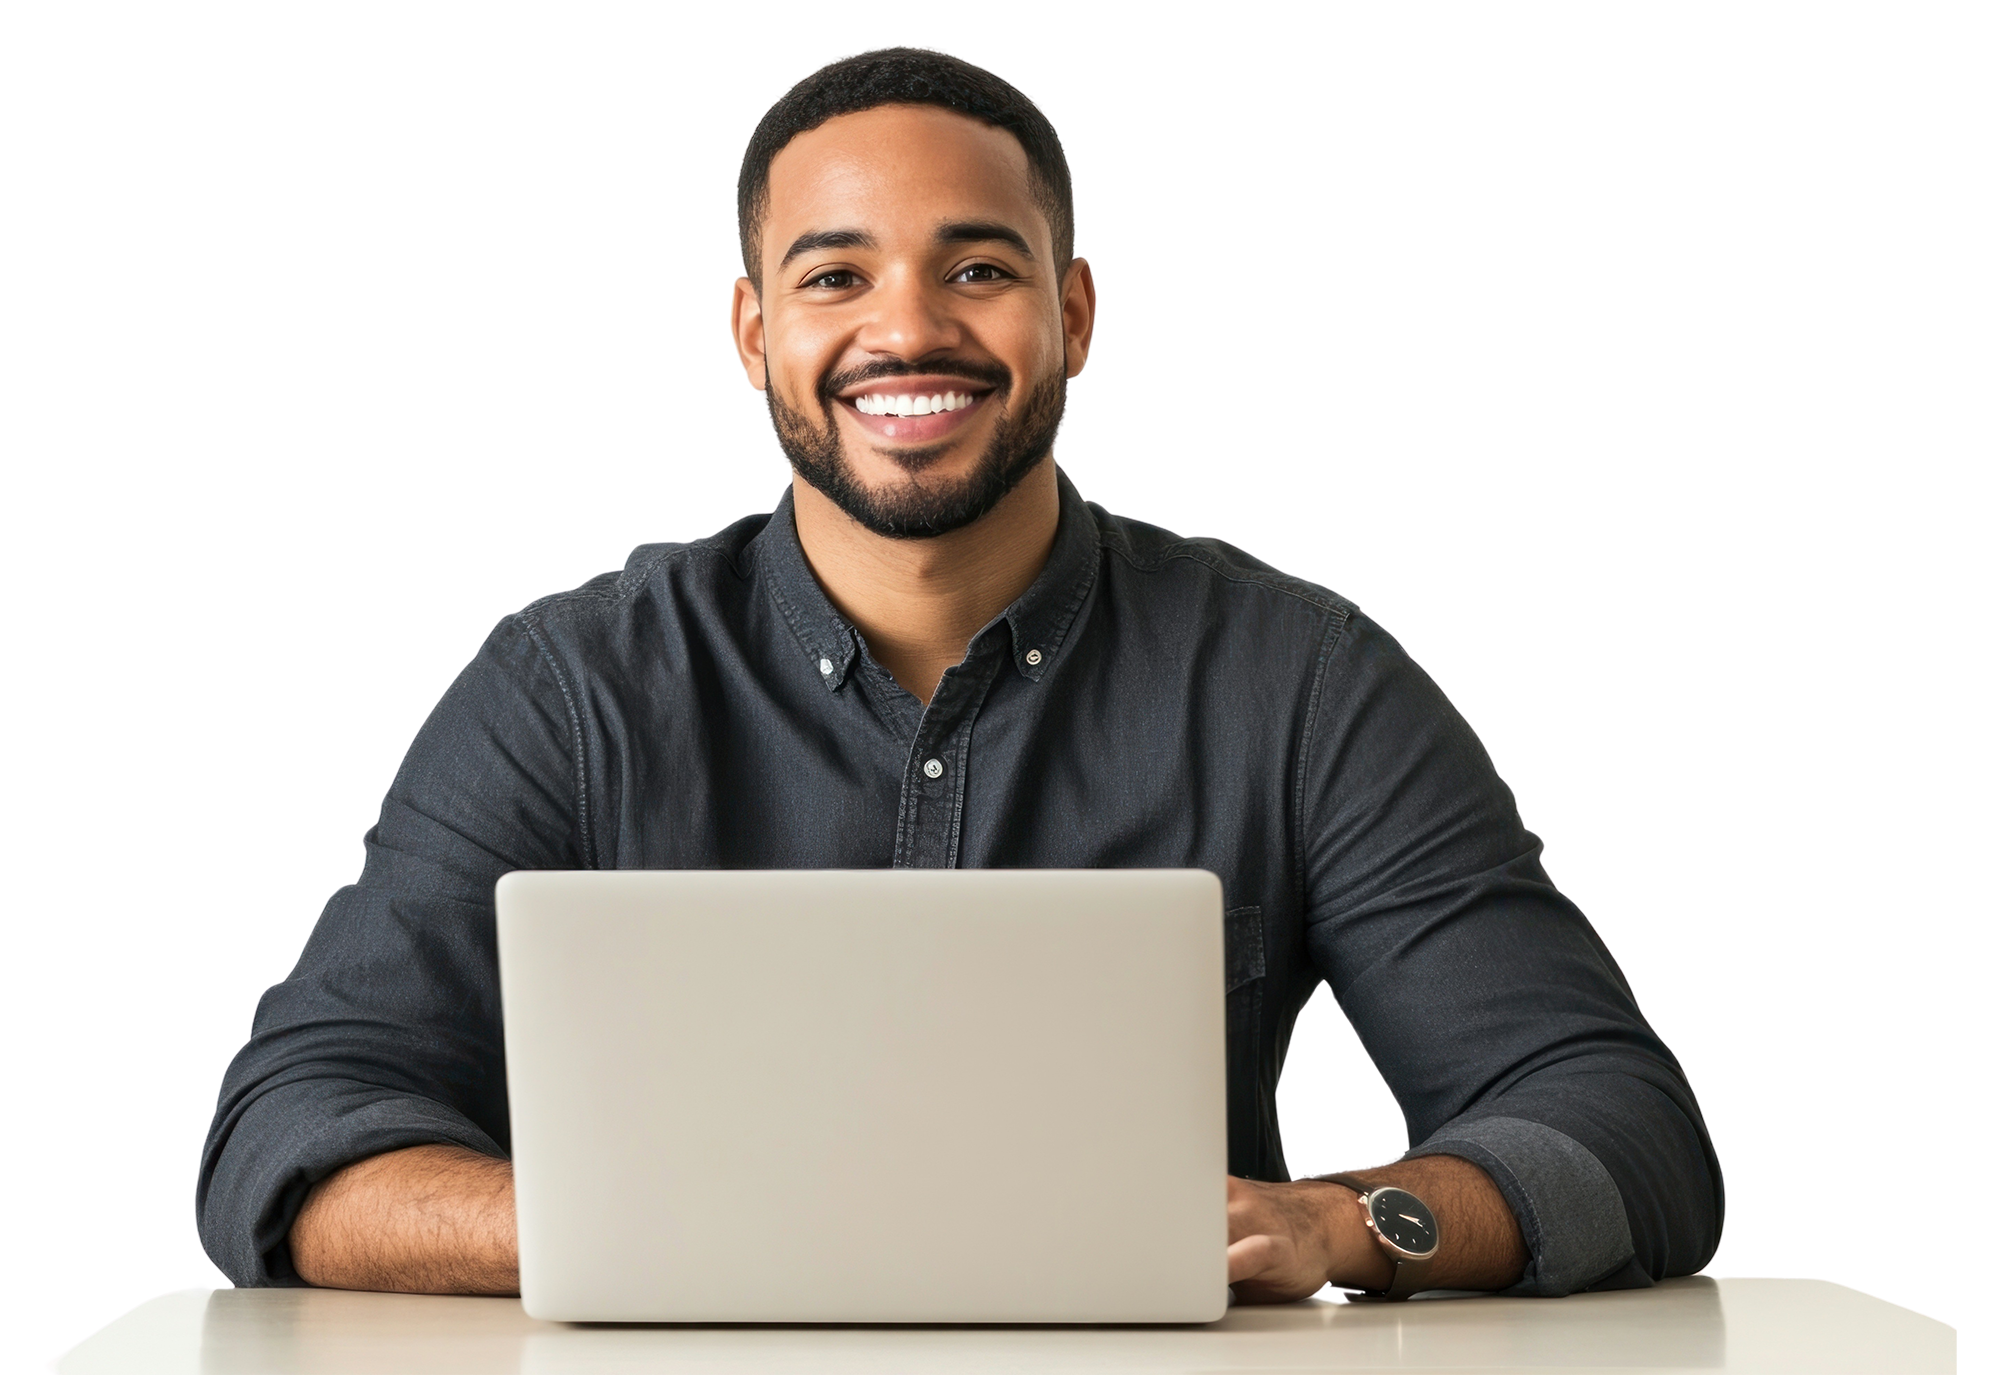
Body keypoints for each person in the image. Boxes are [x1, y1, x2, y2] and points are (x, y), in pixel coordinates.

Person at [196, 44, 1723, 1302]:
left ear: (1073, 314)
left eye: (976, 267)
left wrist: (1350, 1223)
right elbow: (287, 1131)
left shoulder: (1306, 681)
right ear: (752, 336)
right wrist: (611, 1225)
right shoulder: (564, 688)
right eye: (834, 278)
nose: (906, 329)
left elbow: (1623, 1125)